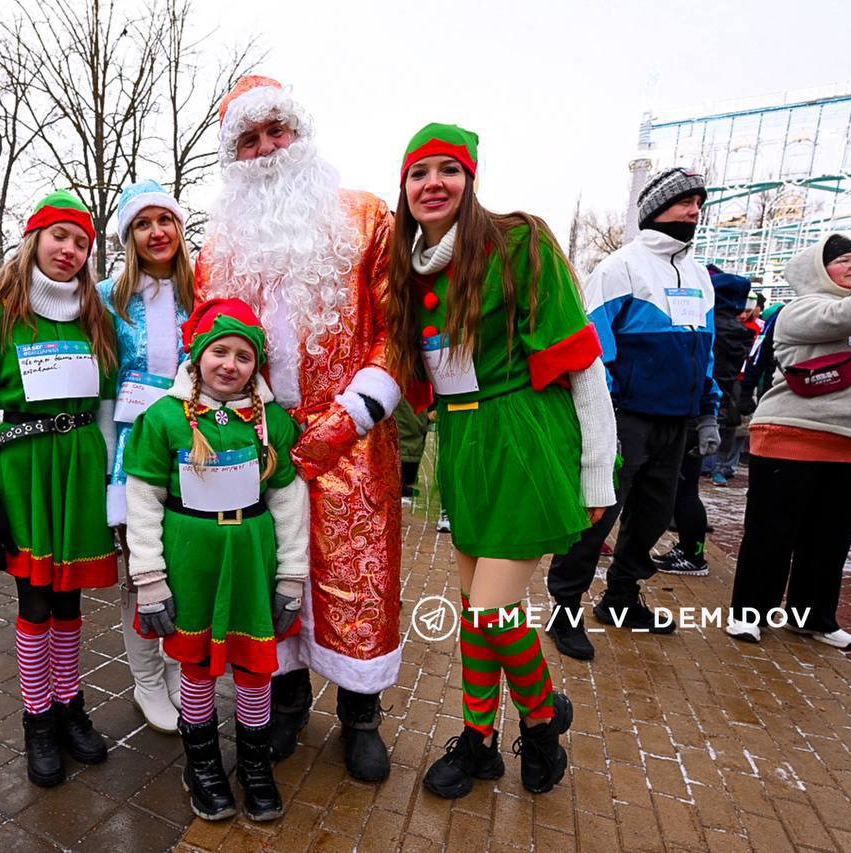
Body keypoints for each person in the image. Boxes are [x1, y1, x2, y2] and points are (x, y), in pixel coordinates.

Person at [384, 123, 614, 798]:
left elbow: (582, 366)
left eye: (447, 170)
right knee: (482, 609)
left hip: (521, 438)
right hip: (460, 447)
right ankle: (479, 739)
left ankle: (542, 719)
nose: (433, 183)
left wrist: (597, 470)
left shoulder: (520, 242)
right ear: (405, 188)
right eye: (418, 172)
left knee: (487, 612)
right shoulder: (411, 267)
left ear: (471, 179)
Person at [194, 75, 402, 782]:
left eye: (276, 131)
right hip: (258, 443)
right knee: (268, 570)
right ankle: (284, 701)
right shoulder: (218, 245)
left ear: (300, 132)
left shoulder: (367, 216)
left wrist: (351, 415)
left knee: (356, 577)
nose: (266, 149)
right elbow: (205, 345)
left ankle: (361, 714)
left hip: (354, 440)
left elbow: (396, 331)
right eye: (249, 140)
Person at [0, 189, 117, 788]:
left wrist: (102, 478)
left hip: (78, 469)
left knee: (71, 599)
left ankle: (70, 704)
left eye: (81, 242)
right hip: (23, 470)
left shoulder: (96, 316)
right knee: (35, 600)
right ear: (34, 242)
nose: (69, 250)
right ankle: (37, 717)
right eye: (59, 237)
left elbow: (103, 402)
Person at [126, 298, 308, 821]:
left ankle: (255, 765)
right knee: (198, 665)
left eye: (244, 356)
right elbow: (143, 500)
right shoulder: (164, 417)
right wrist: (150, 578)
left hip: (253, 559)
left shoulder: (270, 422)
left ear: (257, 365)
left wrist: (292, 575)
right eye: (219, 352)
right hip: (190, 560)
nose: (230, 365)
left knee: (254, 666)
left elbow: (288, 499)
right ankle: (202, 765)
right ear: (198, 355)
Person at [545, 167, 720, 660]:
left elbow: (703, 350)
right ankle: (565, 608)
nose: (694, 211)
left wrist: (707, 410)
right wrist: (605, 419)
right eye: (684, 201)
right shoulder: (620, 267)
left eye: (699, 202)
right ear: (654, 209)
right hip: (626, 417)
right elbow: (595, 351)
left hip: (676, 419)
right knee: (597, 516)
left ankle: (620, 598)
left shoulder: (699, 273)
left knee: (653, 517)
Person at [728, 236, 851, 648]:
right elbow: (848, 317)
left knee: (831, 539)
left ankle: (815, 616)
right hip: (791, 438)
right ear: (819, 269)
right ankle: (749, 612)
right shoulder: (804, 309)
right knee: (773, 533)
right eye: (844, 260)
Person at [98, 179, 192, 734]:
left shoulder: (201, 290)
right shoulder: (111, 296)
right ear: (129, 235)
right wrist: (111, 469)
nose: (156, 232)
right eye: (142, 223)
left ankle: (181, 673)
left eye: (165, 220)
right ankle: (147, 680)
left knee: (182, 560)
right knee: (143, 568)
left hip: (190, 441)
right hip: (133, 444)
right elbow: (106, 388)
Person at [654, 267, 751, 576]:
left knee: (683, 490)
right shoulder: (735, 330)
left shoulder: (708, 329)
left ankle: (693, 555)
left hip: (697, 415)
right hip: (712, 411)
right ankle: (690, 550)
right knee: (687, 488)